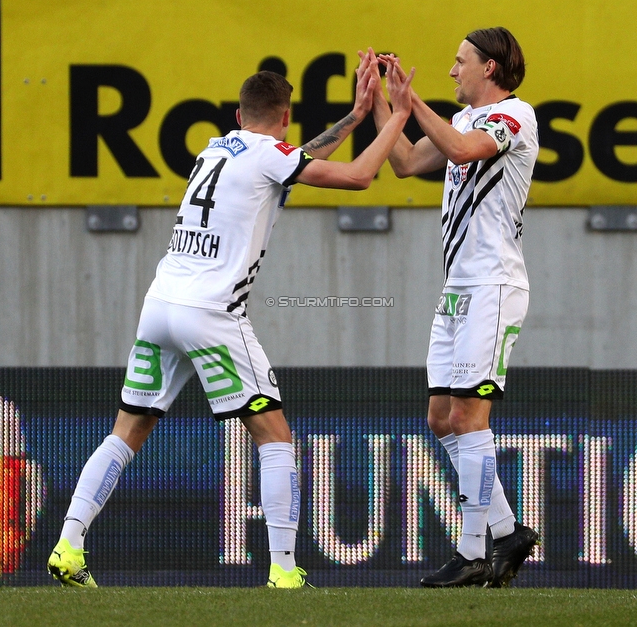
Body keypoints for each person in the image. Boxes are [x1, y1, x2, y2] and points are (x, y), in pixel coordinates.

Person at [47, 52, 413, 589]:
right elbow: (359, 176)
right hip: (213, 314)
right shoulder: (271, 154)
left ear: (240, 115)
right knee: (274, 435)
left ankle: (69, 545)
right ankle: (285, 570)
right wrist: (395, 115)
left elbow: (295, 160)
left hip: (160, 306)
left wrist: (356, 118)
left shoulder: (215, 149)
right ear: (285, 117)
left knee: (127, 431)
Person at [368, 28, 540, 588]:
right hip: (459, 289)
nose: (452, 71)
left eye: (459, 61)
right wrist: (379, 99)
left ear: (489, 68)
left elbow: (465, 152)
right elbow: (403, 161)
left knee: (470, 417)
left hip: (493, 286)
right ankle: (509, 531)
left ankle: (471, 553)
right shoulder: (462, 121)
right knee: (441, 418)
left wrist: (410, 100)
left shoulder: (516, 115)